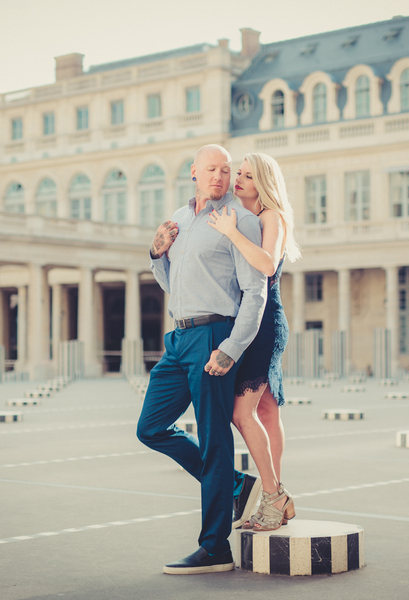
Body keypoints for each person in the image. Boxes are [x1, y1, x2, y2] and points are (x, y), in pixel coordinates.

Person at [136, 144, 267, 575]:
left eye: (227, 170)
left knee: (214, 441)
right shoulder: (178, 218)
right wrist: (156, 253)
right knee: (151, 428)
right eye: (211, 168)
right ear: (193, 172)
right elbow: (170, 280)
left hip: (215, 333)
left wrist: (230, 349)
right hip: (178, 337)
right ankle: (232, 484)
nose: (220, 176)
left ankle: (215, 548)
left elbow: (256, 291)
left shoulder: (239, 220)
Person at [207, 152, 301, 532]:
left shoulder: (270, 217)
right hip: (254, 319)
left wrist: (229, 233)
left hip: (265, 325)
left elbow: (265, 264)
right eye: (238, 174)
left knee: (240, 413)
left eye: (246, 175)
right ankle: (273, 497)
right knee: (266, 412)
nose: (238, 180)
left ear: (262, 182)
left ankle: (273, 497)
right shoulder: (243, 216)